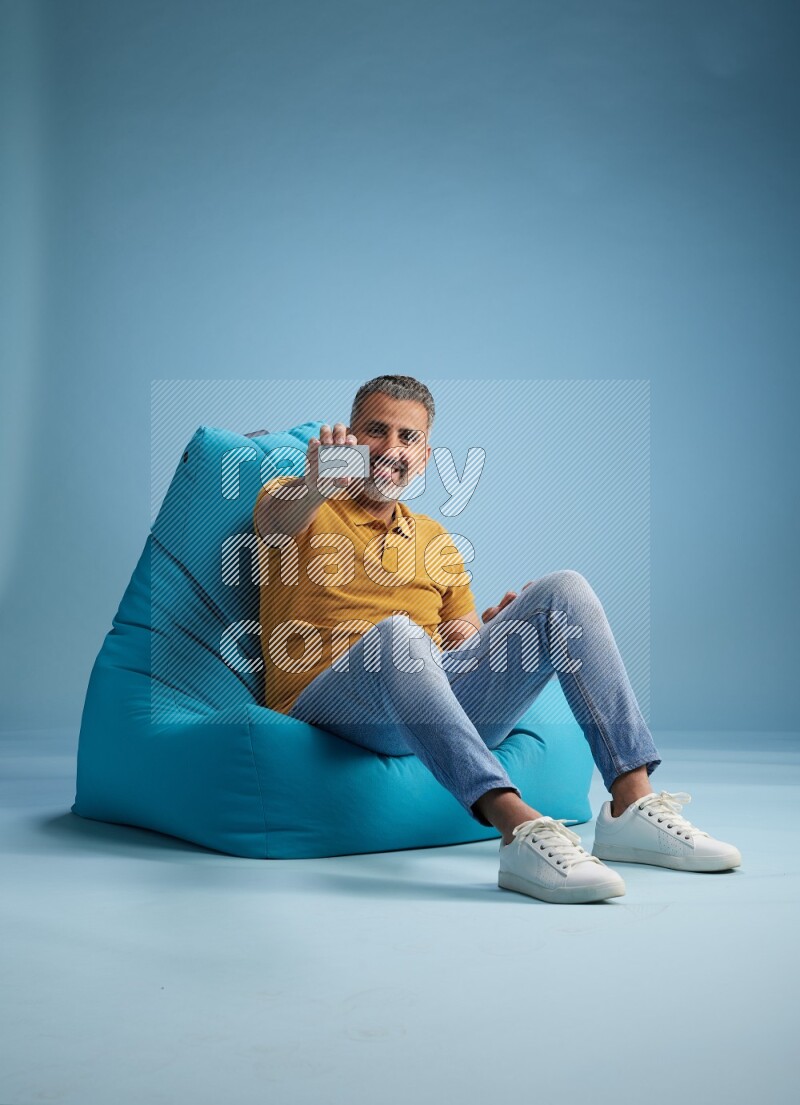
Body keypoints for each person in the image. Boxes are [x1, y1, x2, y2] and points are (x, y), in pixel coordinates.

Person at [253, 375, 741, 904]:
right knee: (396, 636)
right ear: (351, 435)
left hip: (426, 696)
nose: (392, 450)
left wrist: (493, 634)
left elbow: (457, 635)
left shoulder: (437, 540)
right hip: (331, 705)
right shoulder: (299, 500)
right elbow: (276, 521)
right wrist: (317, 482)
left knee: (564, 590)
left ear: (425, 454)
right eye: (376, 431)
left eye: (408, 438)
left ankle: (630, 804)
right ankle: (517, 827)